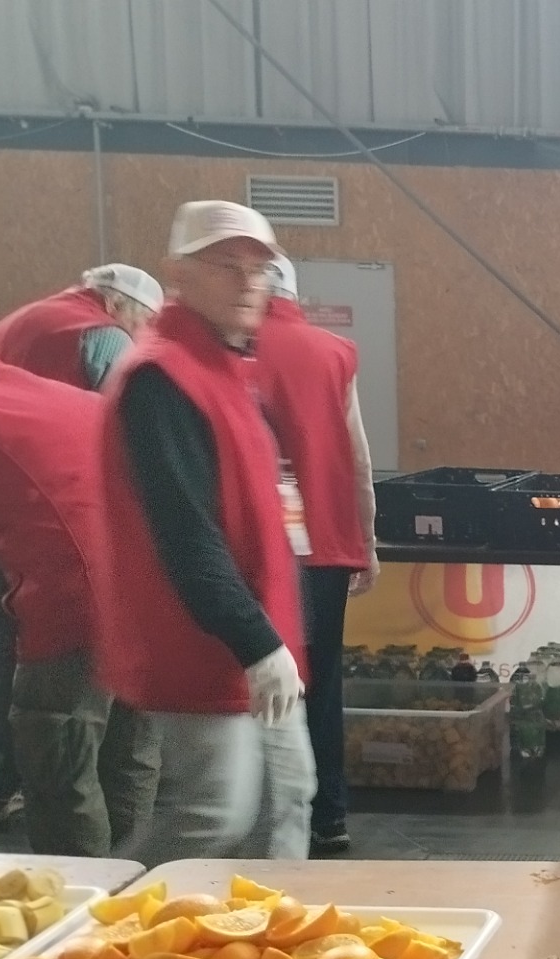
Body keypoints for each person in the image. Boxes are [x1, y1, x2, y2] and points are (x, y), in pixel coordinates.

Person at [95, 200, 314, 863]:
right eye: (227, 266)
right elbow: (186, 532)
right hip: (207, 641)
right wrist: (256, 642)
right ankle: (98, 927)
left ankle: (274, 947)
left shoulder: (226, 370)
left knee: (287, 796)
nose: (250, 282)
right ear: (178, 274)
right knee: (214, 813)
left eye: (261, 269)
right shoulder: (162, 379)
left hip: (256, 634)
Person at [0, 263, 162, 828]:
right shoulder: (95, 341)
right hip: (135, 554)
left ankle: (93, 902)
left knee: (55, 748)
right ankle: (138, 888)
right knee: (127, 742)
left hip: (70, 575)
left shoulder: (12, 331)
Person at [252, 255, 380, 856]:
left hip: (251, 548)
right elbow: (358, 460)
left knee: (255, 679)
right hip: (325, 549)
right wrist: (367, 544)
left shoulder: (228, 349)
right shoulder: (334, 352)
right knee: (320, 681)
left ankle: (269, 820)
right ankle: (329, 816)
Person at [0, 263, 163, 391]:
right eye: (147, 321)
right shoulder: (109, 336)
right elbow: (135, 412)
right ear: (115, 305)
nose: (147, 334)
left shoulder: (27, 316)